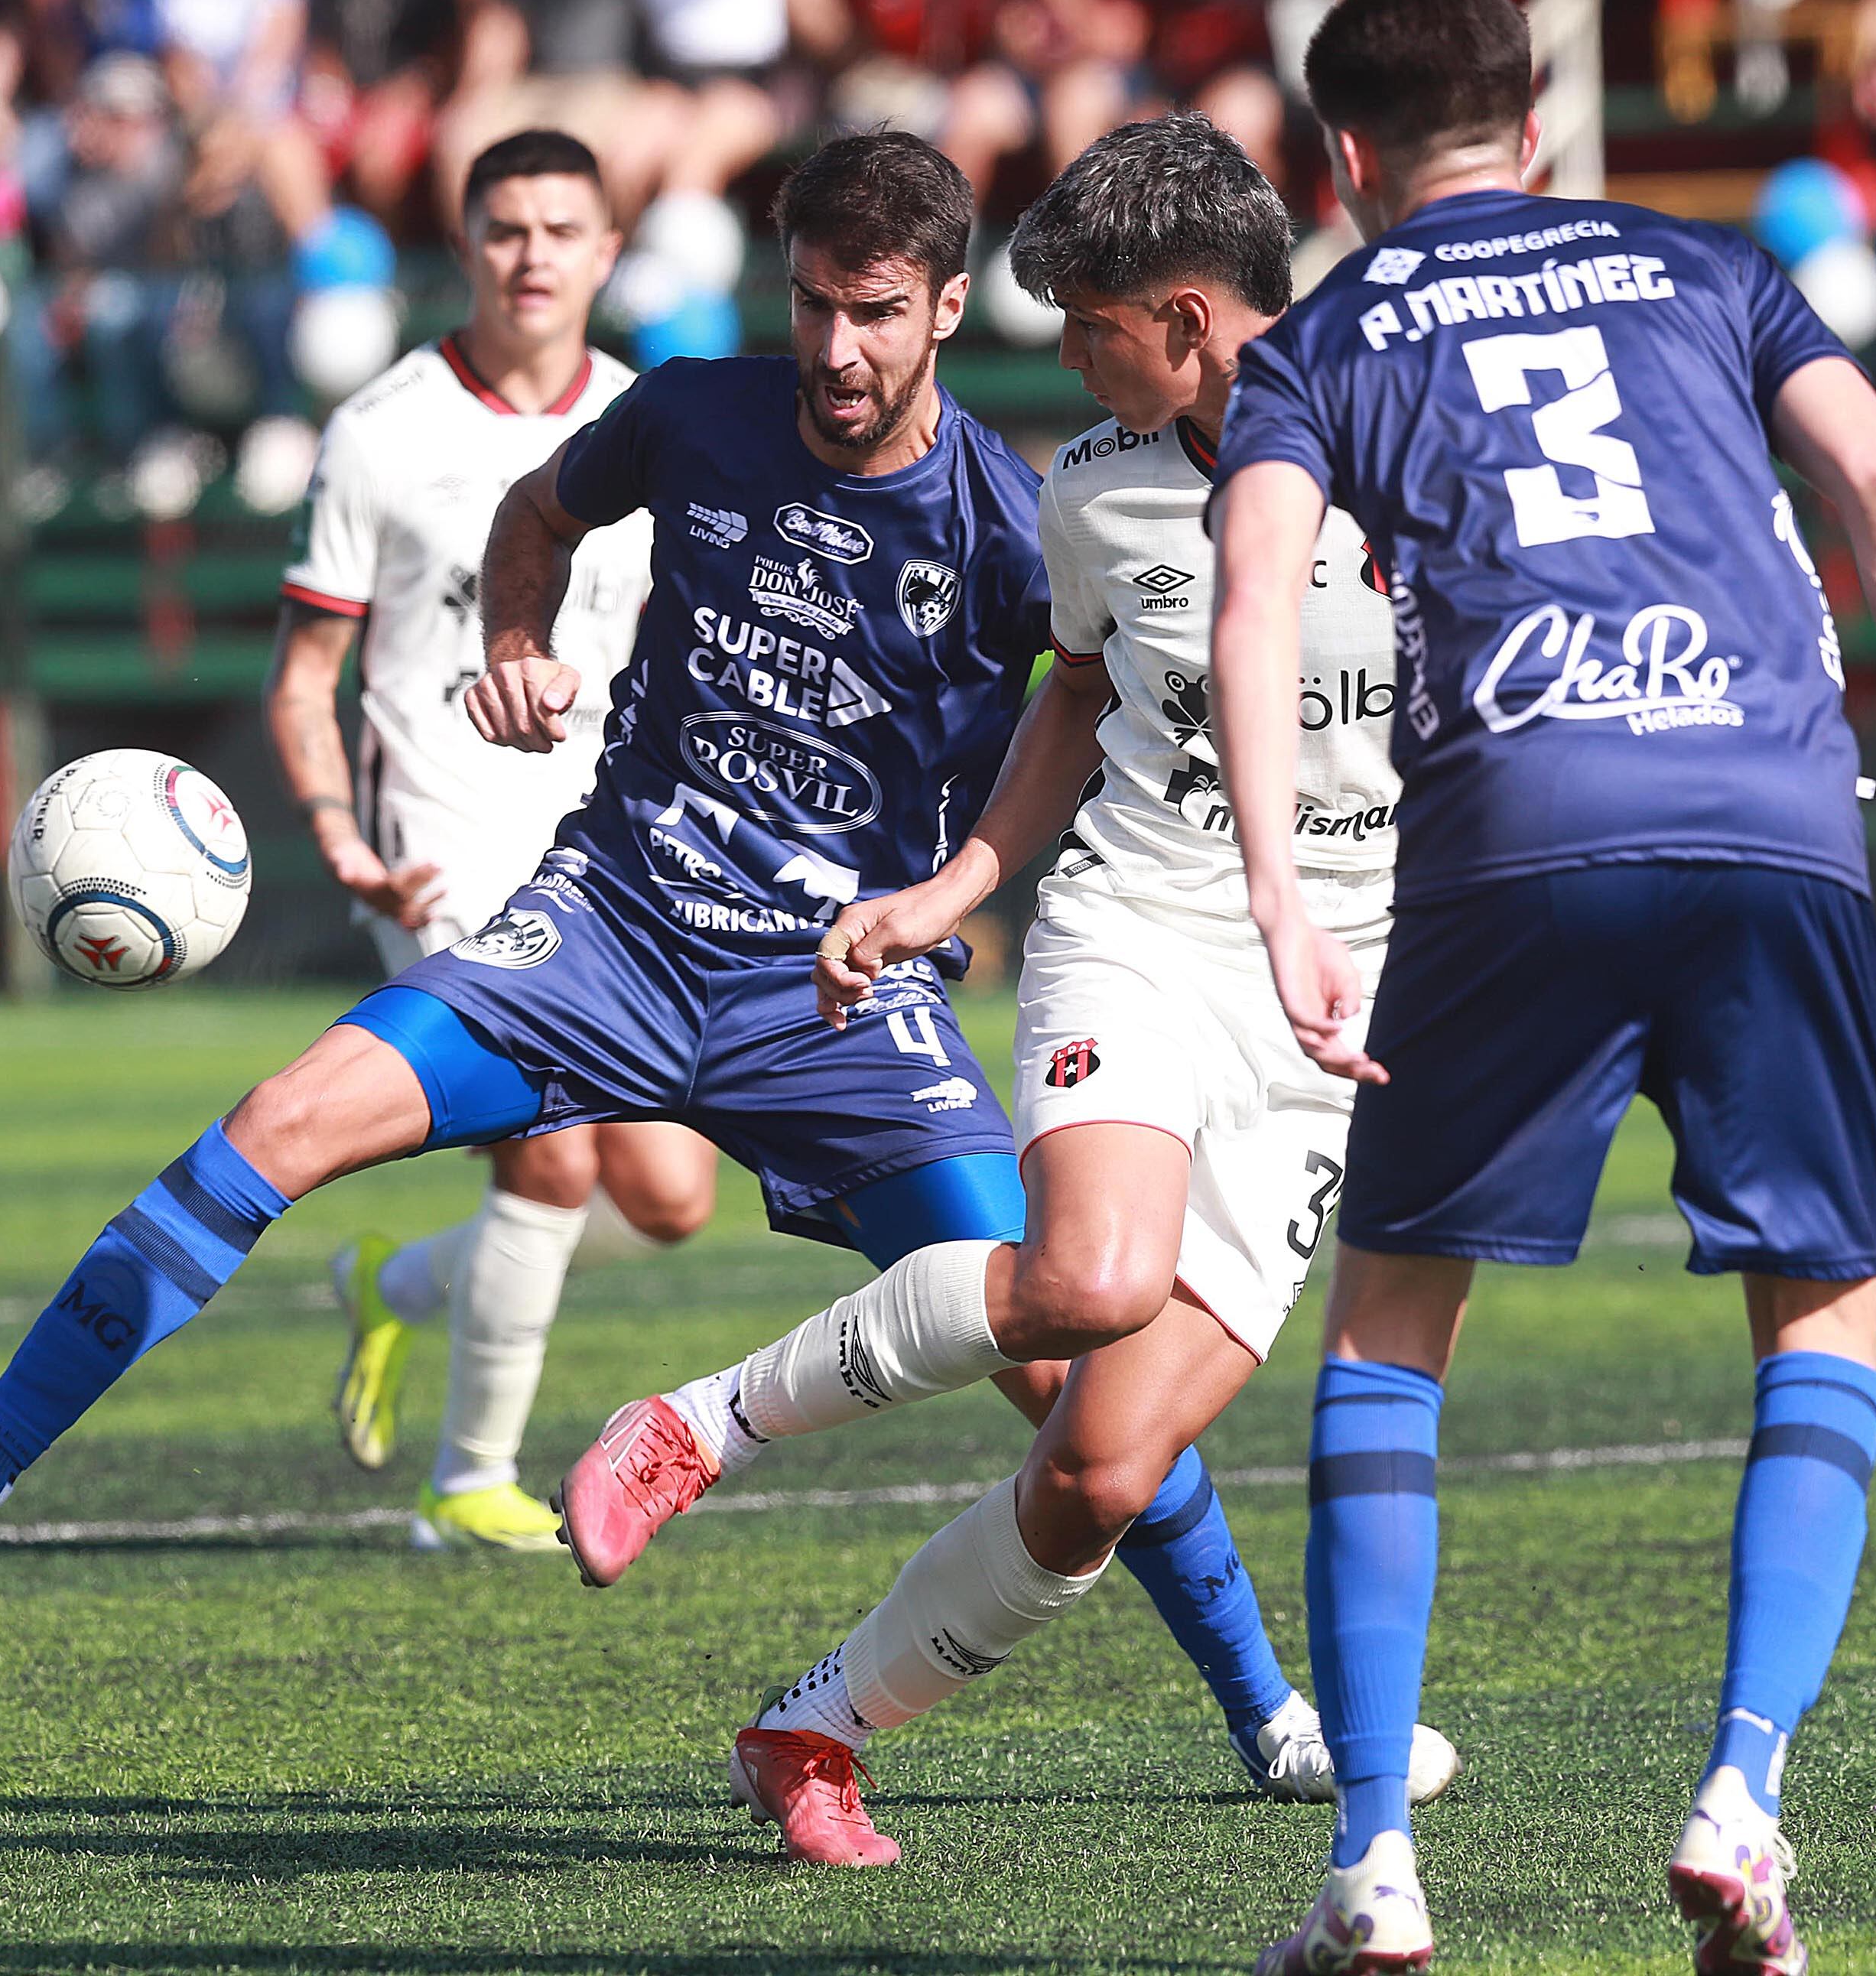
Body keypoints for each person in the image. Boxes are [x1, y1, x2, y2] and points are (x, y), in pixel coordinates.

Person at [0, 141, 1323, 1837]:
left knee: (1068, 1356)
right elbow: (542, 511)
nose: (833, 348)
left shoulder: (1011, 520)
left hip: (830, 998)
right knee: (274, 1123)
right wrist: (517, 640)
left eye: (874, 313)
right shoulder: (690, 412)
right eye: (809, 302)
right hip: (610, 926)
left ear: (948, 308)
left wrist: (966, 895)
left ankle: (1261, 1698)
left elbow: (1088, 708)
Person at [1201, 0, 1876, 1976]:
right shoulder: (1710, 263)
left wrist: (1285, 888)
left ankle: (1375, 1862)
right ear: (1534, 125)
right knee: (1823, 1301)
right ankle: (1743, 1796)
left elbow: (1257, 588)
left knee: (1390, 1328)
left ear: (1347, 162)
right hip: (1775, 812)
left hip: (1515, 829)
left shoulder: (1329, 332)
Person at [609, 112, 1458, 1869]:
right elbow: (1070, 702)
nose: (1061, 355)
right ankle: (702, 1422)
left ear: (1190, 319)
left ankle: (812, 1724)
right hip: (1143, 919)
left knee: (1096, 1470)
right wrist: (955, 887)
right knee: (1088, 1278)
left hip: (1342, 1001)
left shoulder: (1418, 467)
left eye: (1087, 323)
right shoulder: (1093, 481)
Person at [263, 128, 718, 1553]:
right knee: (555, 1159)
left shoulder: (653, 420)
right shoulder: (384, 429)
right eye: (505, 229)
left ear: (605, 251)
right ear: (465, 246)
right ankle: (471, 1483)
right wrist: (340, 832)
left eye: (560, 230)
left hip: (601, 849)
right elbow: (300, 680)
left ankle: (395, 1282)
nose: (532, 255)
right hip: (441, 843)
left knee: (672, 1196)